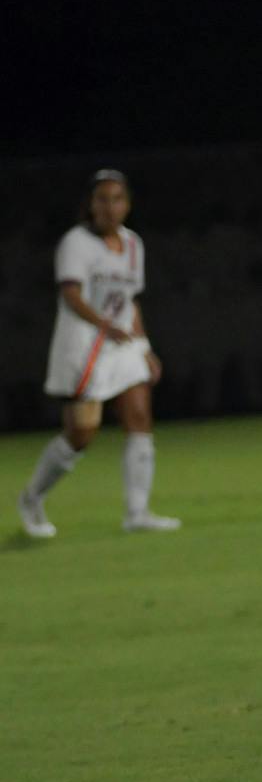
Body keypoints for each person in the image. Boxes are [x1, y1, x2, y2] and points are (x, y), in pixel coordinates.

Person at [16, 170, 180, 537]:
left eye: (117, 198)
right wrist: (106, 326)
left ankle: (137, 513)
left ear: (128, 204)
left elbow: (130, 301)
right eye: (102, 199)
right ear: (90, 204)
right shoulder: (76, 243)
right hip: (84, 344)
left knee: (139, 416)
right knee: (82, 433)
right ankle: (31, 497)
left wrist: (145, 347)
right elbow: (71, 296)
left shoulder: (133, 244)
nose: (110, 206)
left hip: (121, 343)